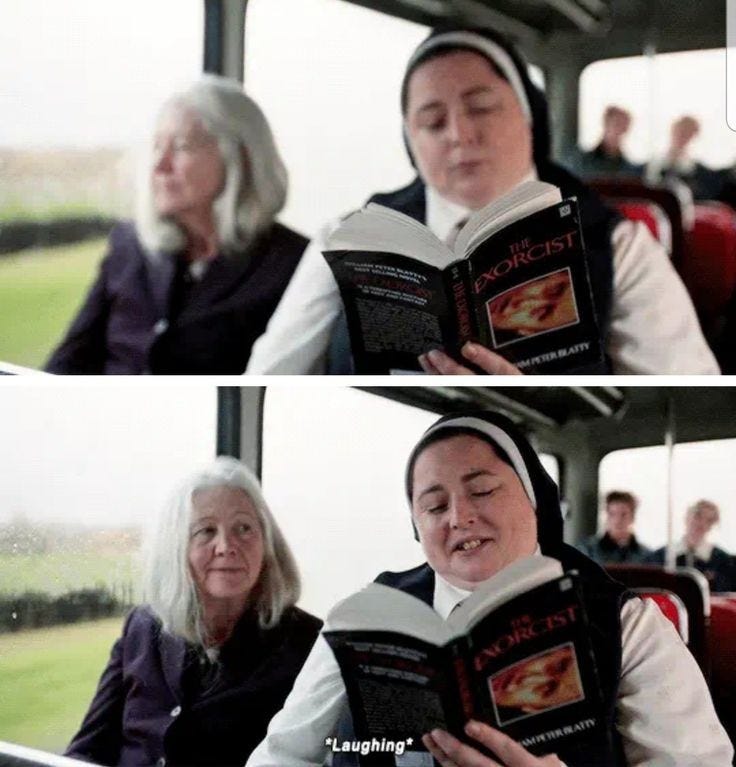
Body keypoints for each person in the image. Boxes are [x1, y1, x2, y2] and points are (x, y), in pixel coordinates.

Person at [247, 412, 732, 767]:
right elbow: (282, 757)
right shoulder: (361, 618)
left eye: (481, 491)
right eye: (435, 506)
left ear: (538, 502)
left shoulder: (627, 623)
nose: (459, 517)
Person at [246, 28, 717, 376]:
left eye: (481, 107)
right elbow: (269, 376)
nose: (459, 135)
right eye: (432, 122)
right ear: (411, 141)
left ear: (530, 117)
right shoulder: (345, 238)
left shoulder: (620, 246)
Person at [65, 457, 321, 767]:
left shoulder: (308, 644)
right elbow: (86, 751)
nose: (226, 545)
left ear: (267, 544)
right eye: (206, 531)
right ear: (177, 548)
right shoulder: (142, 627)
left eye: (243, 528)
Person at [46, 76, 307, 374]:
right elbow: (67, 363)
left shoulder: (294, 266)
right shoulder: (128, 245)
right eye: (157, 147)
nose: (160, 166)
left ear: (241, 158)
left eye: (181, 147)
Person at [648, 500, 736, 592]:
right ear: (686, 516)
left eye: (709, 520)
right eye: (698, 516)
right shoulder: (660, 557)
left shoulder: (724, 562)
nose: (702, 523)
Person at [647, 116, 726, 202]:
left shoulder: (698, 170)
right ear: (673, 131)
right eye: (681, 131)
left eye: (688, 133)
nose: (683, 136)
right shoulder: (654, 162)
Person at [578, 490, 651, 565]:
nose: (617, 520)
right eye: (612, 514)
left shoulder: (646, 556)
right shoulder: (588, 551)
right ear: (606, 517)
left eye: (623, 514)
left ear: (632, 517)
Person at [577, 106, 642, 179]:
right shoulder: (582, 163)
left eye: (624, 128)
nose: (620, 132)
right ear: (606, 125)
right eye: (617, 125)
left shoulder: (630, 171)